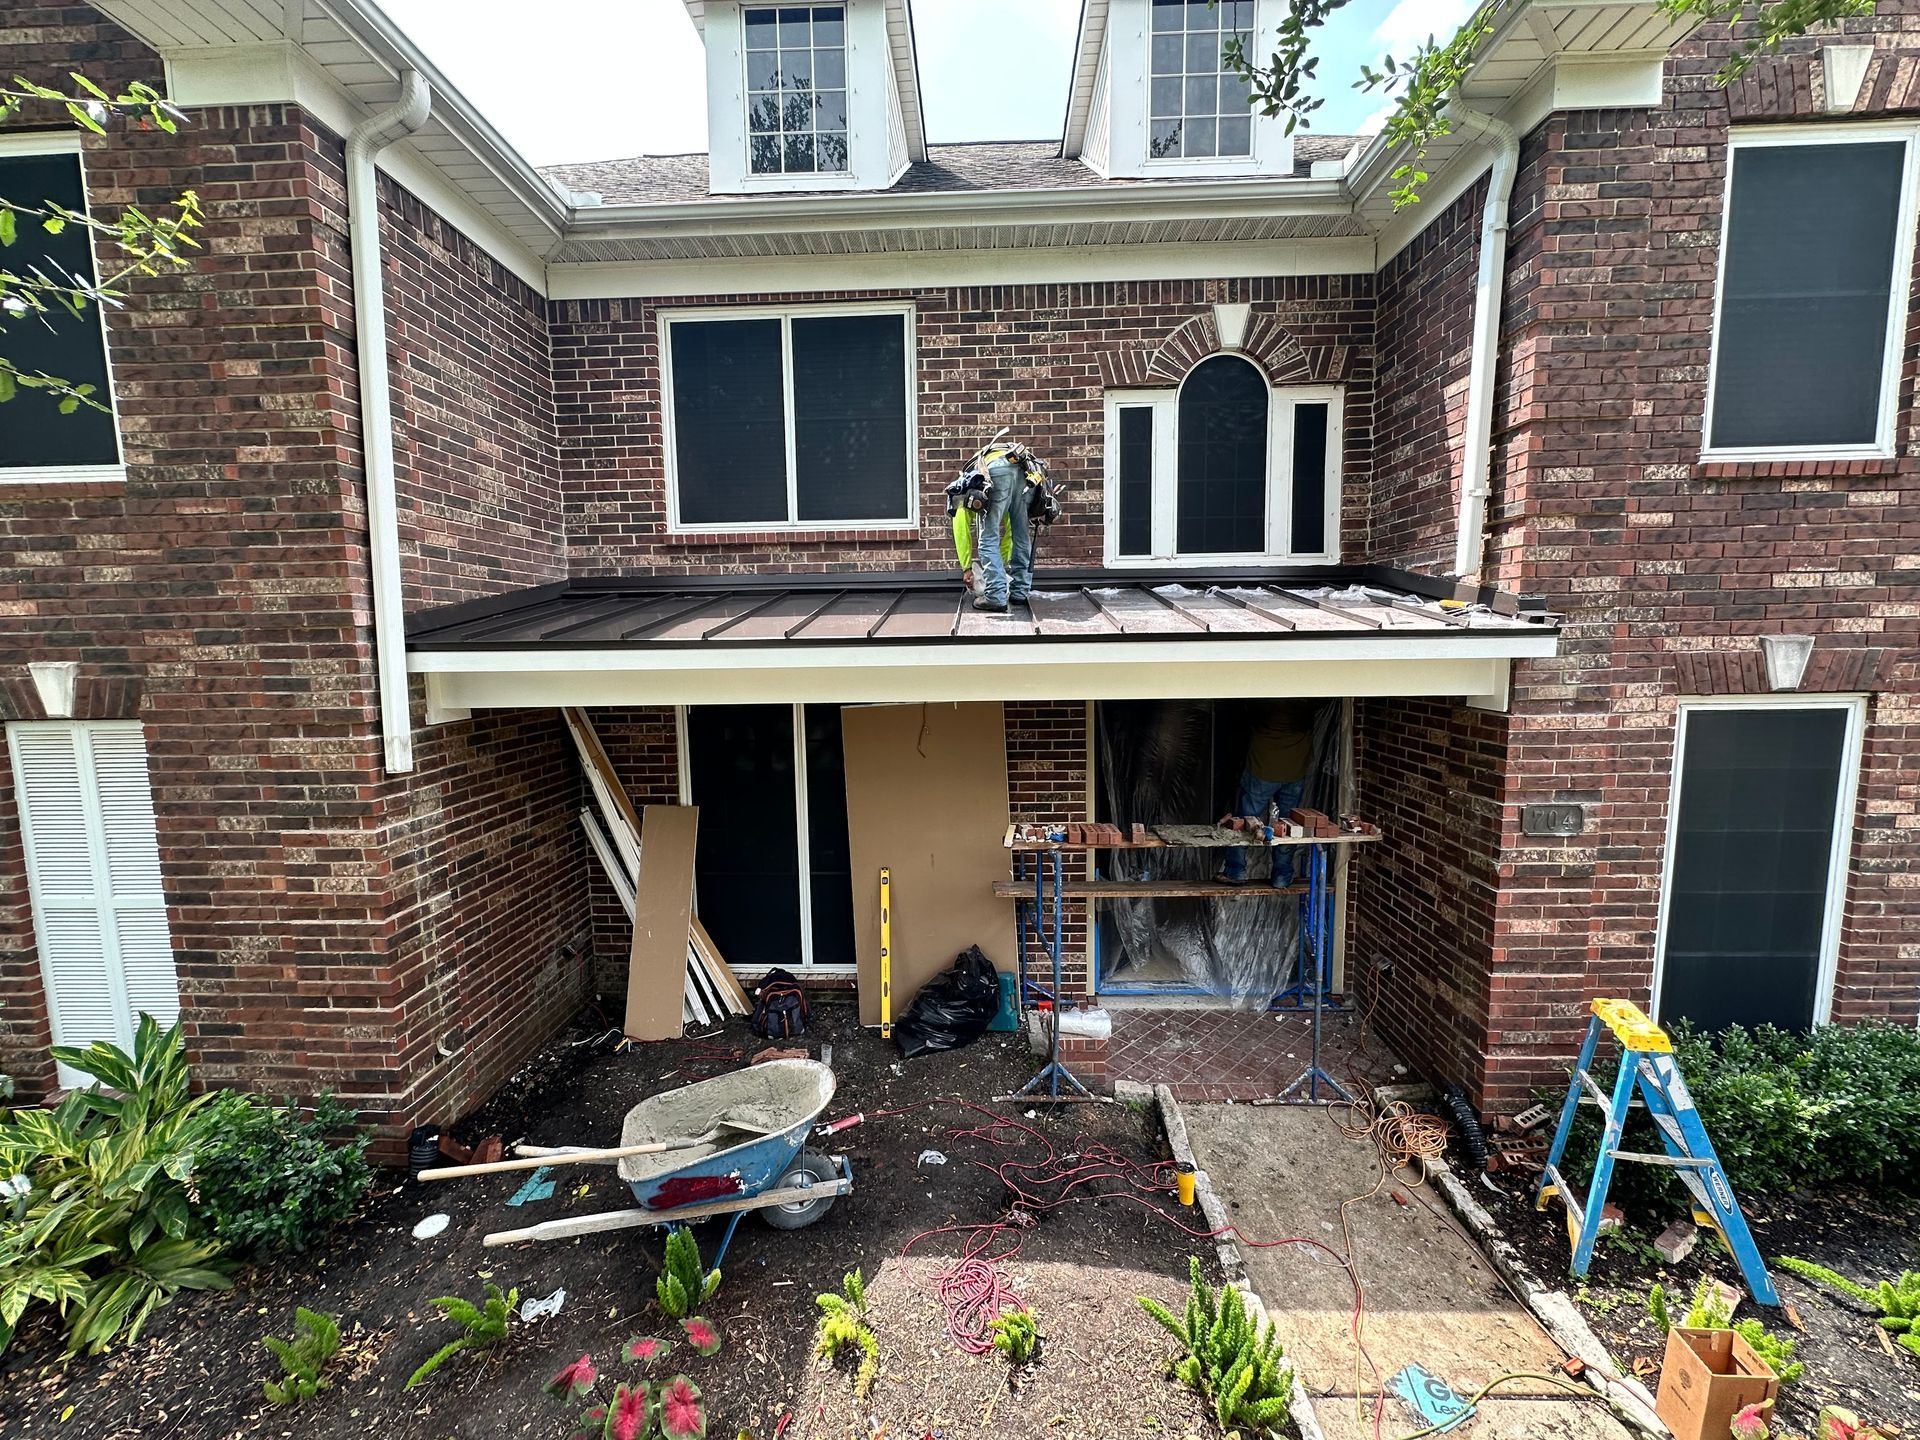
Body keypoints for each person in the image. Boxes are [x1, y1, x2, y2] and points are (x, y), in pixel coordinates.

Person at [1217, 699, 1323, 888]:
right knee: (1288, 826)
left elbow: (1244, 708)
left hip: (1261, 770)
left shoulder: (1263, 698)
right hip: (1295, 771)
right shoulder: (1305, 701)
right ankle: (1281, 876)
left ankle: (1236, 871)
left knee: (1243, 821)